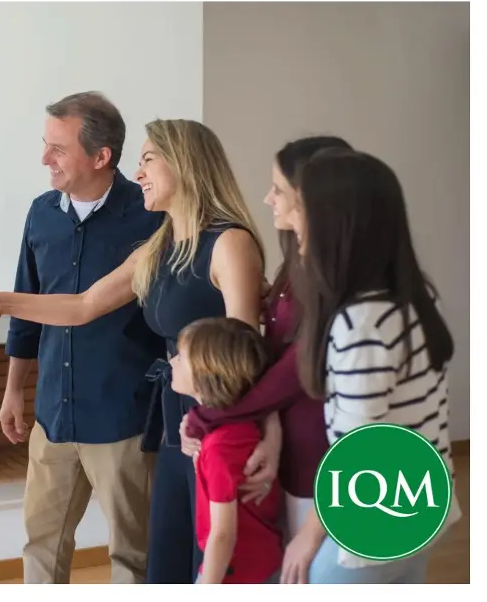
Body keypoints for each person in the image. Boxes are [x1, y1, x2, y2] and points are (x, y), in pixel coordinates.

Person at [0, 118, 279, 584]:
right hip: (175, 422)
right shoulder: (160, 245)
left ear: (185, 166)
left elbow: (250, 356)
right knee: (166, 564)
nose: (139, 173)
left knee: (213, 560)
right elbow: (83, 305)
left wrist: (268, 433)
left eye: (149, 159)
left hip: (219, 427)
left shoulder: (229, 244)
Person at [0, 91, 166, 584]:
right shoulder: (41, 214)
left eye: (57, 148)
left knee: (132, 554)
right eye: (45, 144)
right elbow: (26, 311)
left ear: (101, 157)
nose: (44, 159)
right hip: (53, 415)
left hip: (123, 418)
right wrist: (14, 390)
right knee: (41, 544)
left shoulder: (151, 218)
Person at [280, 147, 461, 583]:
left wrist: (309, 533)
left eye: (300, 207)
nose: (291, 221)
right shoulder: (409, 298)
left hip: (376, 517)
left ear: (336, 223)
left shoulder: (361, 321)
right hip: (424, 501)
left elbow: (359, 448)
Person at [180, 136, 355, 548]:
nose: (267, 198)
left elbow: (293, 369)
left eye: (278, 189)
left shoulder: (335, 278)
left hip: (322, 457)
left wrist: (210, 416)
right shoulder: (296, 266)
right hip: (292, 448)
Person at [170, 317, 284, 584]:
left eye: (181, 358)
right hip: (261, 563)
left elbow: (223, 534)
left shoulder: (219, 448)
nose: (172, 361)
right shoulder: (237, 430)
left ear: (207, 373)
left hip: (237, 574)